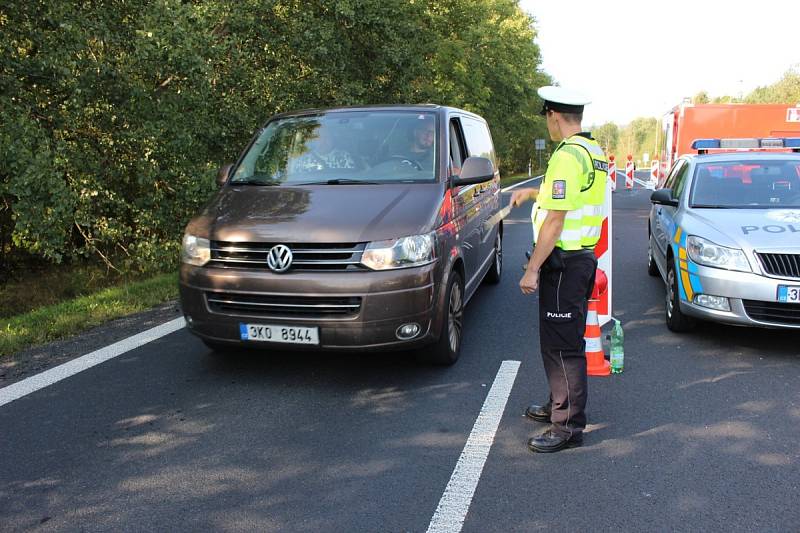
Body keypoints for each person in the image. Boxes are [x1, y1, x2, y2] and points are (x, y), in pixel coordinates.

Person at [510, 86, 608, 453]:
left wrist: (532, 269)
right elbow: (569, 195)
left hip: (564, 262)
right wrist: (532, 193)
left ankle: (566, 427)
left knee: (563, 346)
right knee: (558, 340)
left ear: (553, 115)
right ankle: (557, 403)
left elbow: (556, 219)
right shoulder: (591, 150)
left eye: (546, 118)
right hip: (579, 259)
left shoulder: (567, 155)